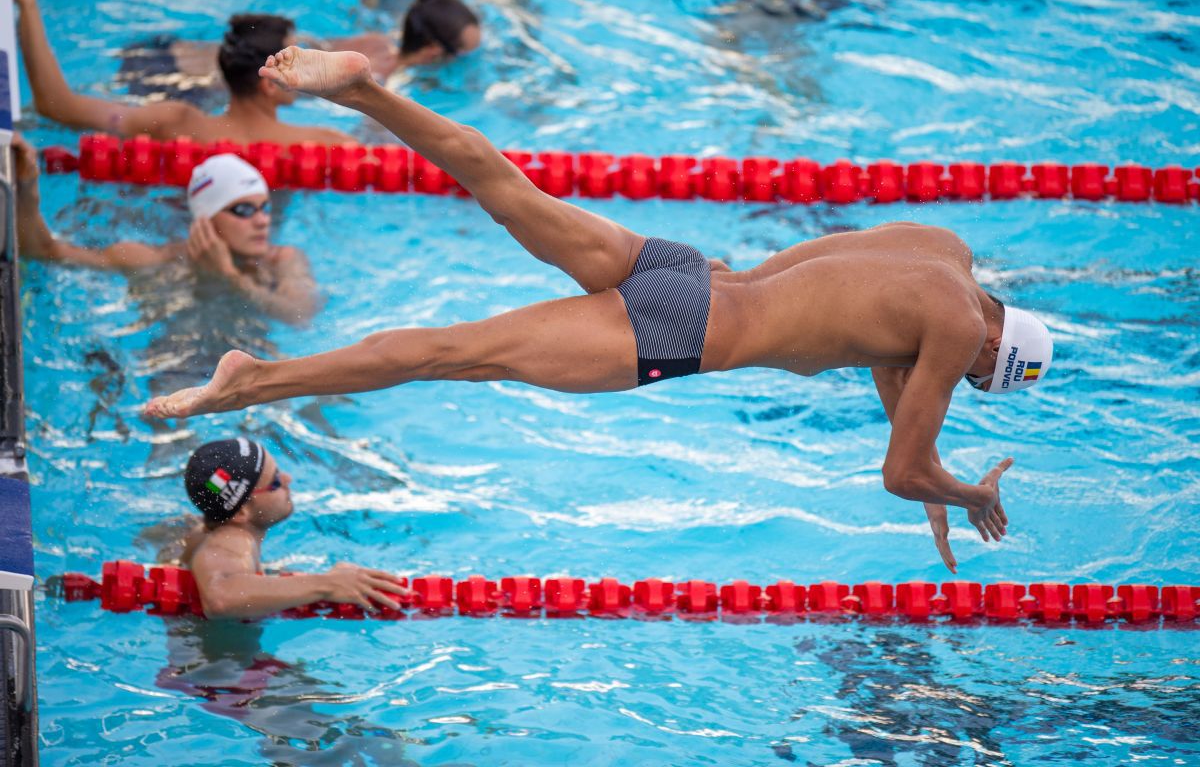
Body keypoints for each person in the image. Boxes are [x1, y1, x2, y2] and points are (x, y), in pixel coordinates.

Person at [146, 47, 1057, 569]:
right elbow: (900, 469)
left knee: (503, 183)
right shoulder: (957, 334)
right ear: (990, 350)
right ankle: (253, 380)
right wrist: (963, 492)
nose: (965, 377)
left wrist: (931, 470)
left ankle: (363, 89)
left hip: (687, 272)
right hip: (679, 333)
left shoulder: (945, 261)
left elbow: (883, 357)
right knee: (446, 352)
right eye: (978, 378)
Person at [11, 0, 352, 144]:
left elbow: (56, 106)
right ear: (269, 83)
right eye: (296, 60)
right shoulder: (321, 142)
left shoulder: (179, 124)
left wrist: (27, 3)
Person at [13, 137, 321, 325]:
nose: (262, 220)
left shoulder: (282, 260)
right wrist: (27, 189)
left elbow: (301, 315)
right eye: (243, 210)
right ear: (205, 219)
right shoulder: (155, 260)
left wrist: (230, 277)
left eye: (264, 207)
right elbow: (44, 252)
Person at [176, 437, 410, 619]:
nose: (288, 480)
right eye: (275, 482)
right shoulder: (233, 540)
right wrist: (327, 584)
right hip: (220, 670)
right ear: (241, 512)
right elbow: (221, 598)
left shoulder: (209, 531)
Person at [115, 0, 481, 101]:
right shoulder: (386, 78)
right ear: (433, 52)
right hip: (177, 86)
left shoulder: (374, 39)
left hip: (169, 49)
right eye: (462, 54)